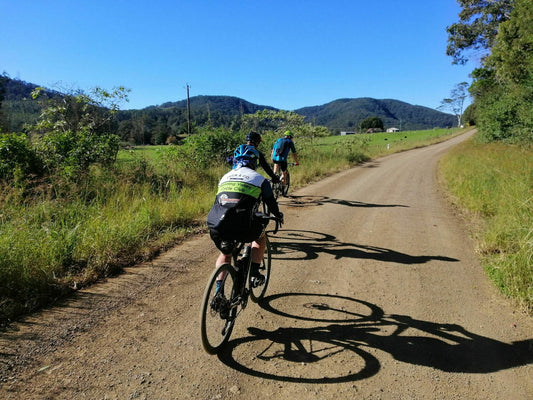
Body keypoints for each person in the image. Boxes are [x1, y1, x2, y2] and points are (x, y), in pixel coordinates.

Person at [207, 144, 283, 289]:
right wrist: (278, 215)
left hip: (216, 224)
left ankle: (218, 292)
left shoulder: (225, 177)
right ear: (254, 162)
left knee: (225, 254)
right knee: (260, 237)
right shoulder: (259, 179)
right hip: (243, 226)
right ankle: (254, 272)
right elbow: (271, 202)